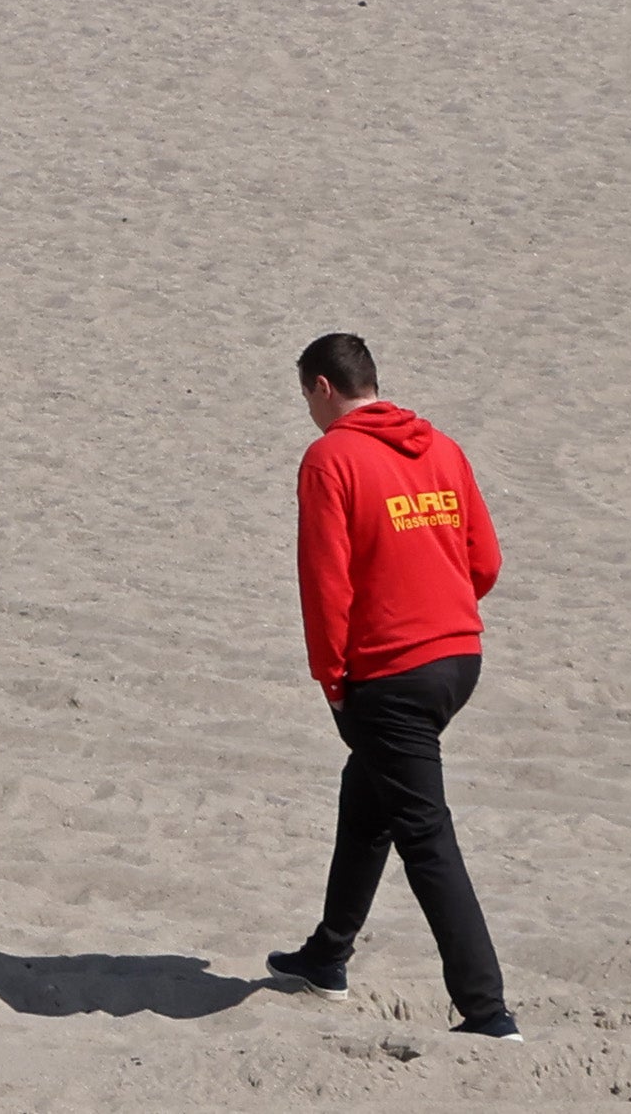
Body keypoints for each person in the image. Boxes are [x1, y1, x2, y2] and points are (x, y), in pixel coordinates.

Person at [266, 333, 515, 1042]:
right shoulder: (442, 446)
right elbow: (485, 560)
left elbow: (324, 584)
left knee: (426, 834)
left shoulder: (330, 456)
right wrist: (437, 611)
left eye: (305, 397)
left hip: (392, 673)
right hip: (458, 660)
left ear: (321, 387)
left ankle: (487, 1011)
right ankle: (327, 954)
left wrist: (333, 680)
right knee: (368, 791)